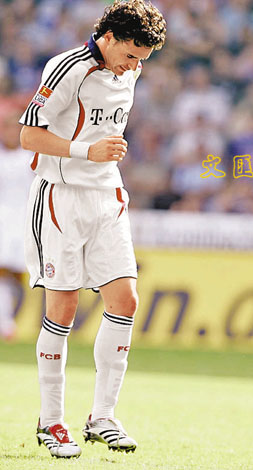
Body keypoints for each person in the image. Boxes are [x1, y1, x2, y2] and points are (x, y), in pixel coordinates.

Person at [19, 0, 166, 458]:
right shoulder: (67, 67)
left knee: (126, 300)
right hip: (61, 197)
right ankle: (51, 421)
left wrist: (102, 158)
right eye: (131, 55)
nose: (134, 66)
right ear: (110, 37)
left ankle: (102, 416)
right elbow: (28, 136)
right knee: (62, 309)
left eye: (142, 59)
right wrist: (88, 151)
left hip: (108, 196)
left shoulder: (130, 70)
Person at [0, 110, 34, 341]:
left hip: (24, 222)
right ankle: (6, 322)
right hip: (2, 221)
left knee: (19, 274)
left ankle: (12, 316)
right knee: (2, 270)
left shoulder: (31, 159)